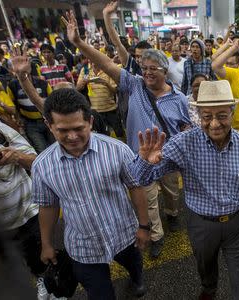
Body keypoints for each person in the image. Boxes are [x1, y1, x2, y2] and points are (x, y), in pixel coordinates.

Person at [63, 10, 192, 258]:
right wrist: (79, 43)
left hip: (169, 159)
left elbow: (186, 129)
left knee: (172, 193)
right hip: (139, 158)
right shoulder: (134, 85)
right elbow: (106, 64)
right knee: (148, 198)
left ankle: (174, 214)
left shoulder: (180, 99)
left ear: (165, 71)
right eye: (144, 68)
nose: (147, 72)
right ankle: (156, 235)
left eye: (153, 68)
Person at [131, 80, 239, 300]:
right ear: (198, 116)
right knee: (205, 267)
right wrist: (147, 162)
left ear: (232, 113)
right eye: (206, 116)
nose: (214, 124)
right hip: (201, 224)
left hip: (238, 224)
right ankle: (209, 289)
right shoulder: (183, 143)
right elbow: (140, 178)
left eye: (221, 115)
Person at [31, 89, 150, 299]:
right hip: (83, 247)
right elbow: (48, 206)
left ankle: (137, 280)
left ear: (91, 122)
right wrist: (47, 245)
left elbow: (135, 186)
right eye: (62, 130)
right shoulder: (42, 165)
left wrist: (143, 226)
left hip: (125, 235)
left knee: (134, 266)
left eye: (79, 128)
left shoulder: (117, 150)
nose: (72, 136)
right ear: (49, 125)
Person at [0, 118, 46, 298]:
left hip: (26, 217)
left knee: (40, 261)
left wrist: (18, 157)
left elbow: (39, 163)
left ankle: (46, 283)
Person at [7, 62, 55, 153]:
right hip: (30, 123)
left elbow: (52, 101)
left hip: (48, 120)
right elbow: (13, 103)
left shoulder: (43, 83)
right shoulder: (12, 86)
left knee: (56, 146)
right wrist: (18, 118)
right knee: (42, 150)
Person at [76, 62, 122, 138]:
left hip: (111, 109)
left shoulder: (107, 69)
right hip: (95, 112)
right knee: (100, 136)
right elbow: (77, 88)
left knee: (118, 134)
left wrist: (105, 83)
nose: (93, 62)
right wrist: (84, 82)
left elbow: (115, 91)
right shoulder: (85, 70)